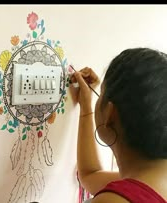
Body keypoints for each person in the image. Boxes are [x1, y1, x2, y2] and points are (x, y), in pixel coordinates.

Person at [69, 47, 167, 203]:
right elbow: (90, 176)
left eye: (101, 93)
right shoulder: (153, 175)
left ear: (109, 113)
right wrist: (86, 106)